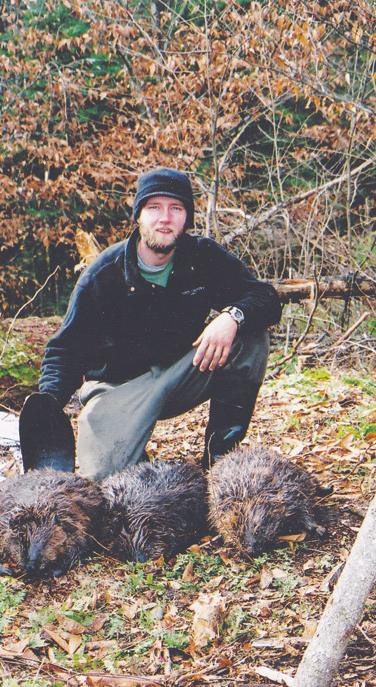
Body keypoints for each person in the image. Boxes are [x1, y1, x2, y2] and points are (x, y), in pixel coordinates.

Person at [38, 167, 282, 481]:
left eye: (176, 208)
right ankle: (135, 458)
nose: (165, 218)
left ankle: (221, 461)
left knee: (249, 338)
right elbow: (65, 351)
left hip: (181, 373)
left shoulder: (201, 257)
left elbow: (265, 297)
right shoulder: (104, 275)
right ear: (138, 216)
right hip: (119, 388)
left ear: (187, 217)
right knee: (105, 478)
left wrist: (231, 317)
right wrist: (47, 405)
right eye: (154, 207)